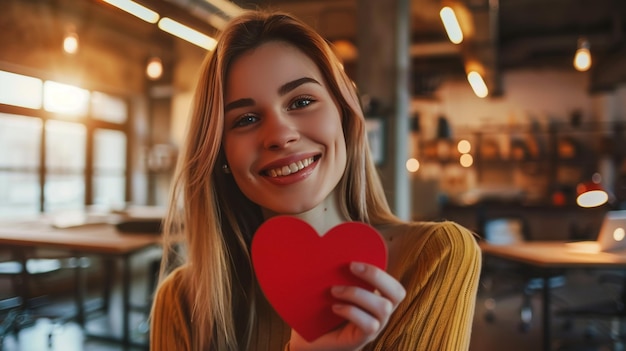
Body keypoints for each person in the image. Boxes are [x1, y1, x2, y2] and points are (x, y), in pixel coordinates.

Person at [150, 9, 481, 351]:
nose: (280, 134)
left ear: (344, 115)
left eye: (302, 101)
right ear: (220, 156)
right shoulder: (181, 301)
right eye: (246, 119)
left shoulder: (437, 256)